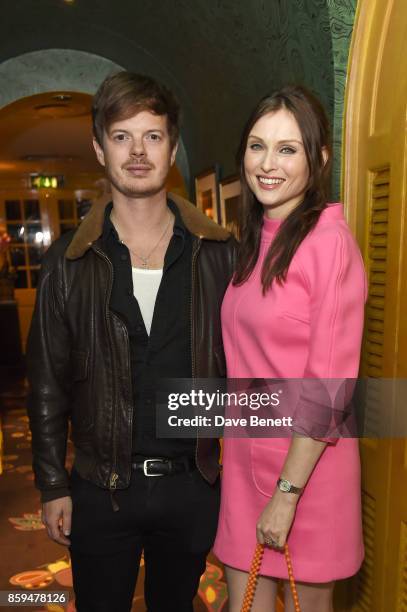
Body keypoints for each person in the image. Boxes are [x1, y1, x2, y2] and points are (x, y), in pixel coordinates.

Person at [27, 71, 236, 612]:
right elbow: (46, 383)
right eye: (122, 136)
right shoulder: (68, 262)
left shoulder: (218, 254)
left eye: (153, 136)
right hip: (100, 490)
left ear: (172, 149)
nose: (137, 151)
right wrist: (52, 485)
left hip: (192, 485)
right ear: (100, 149)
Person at [213, 85, 366, 612]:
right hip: (244, 460)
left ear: (318, 157)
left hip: (307, 476)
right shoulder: (255, 240)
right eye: (257, 146)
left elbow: (328, 389)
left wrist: (287, 496)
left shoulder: (329, 243)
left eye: (287, 148)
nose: (268, 163)